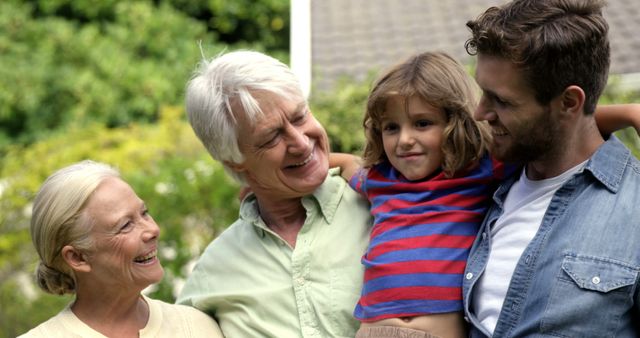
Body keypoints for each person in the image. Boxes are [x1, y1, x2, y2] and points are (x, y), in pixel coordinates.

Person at [330, 51, 639, 338]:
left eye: (422, 123)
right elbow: (345, 162)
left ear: (454, 123)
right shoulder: (379, 180)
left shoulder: (479, 171)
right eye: (391, 128)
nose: (404, 140)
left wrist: (628, 114)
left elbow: (564, 124)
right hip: (373, 330)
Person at [461, 0, 640, 337]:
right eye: (483, 93)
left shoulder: (634, 210)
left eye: (502, 101)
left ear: (569, 103)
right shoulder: (477, 178)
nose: (480, 113)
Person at [175, 50, 372, 337]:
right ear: (234, 161)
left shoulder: (381, 207)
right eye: (272, 137)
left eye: (300, 116)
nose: (301, 143)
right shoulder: (216, 268)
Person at [19, 160, 223, 338]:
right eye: (126, 225)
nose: (152, 230)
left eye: (144, 213)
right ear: (78, 257)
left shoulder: (198, 328)